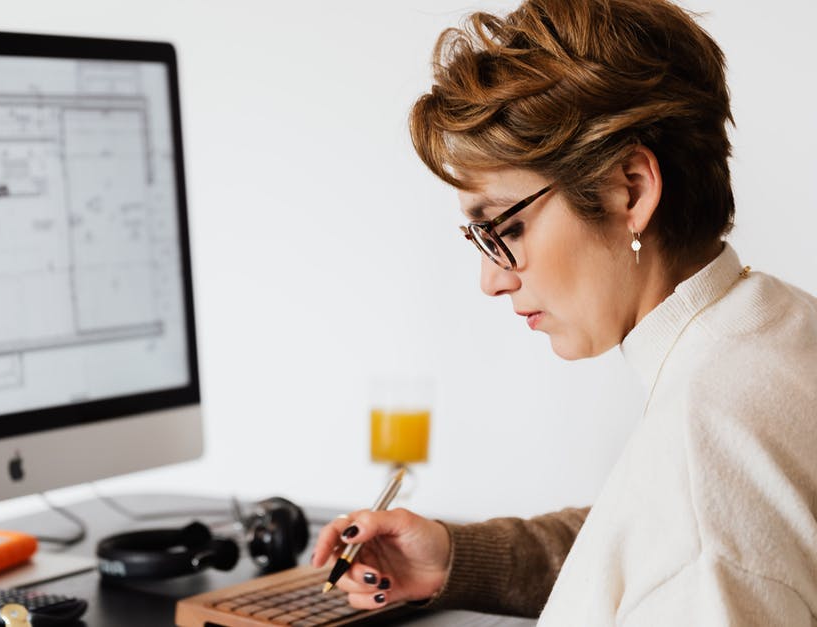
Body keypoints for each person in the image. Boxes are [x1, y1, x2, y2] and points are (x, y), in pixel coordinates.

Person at [310, 0, 817, 623]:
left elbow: (695, 537)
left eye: (506, 228)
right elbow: (647, 535)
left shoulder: (700, 473)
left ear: (629, 188)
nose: (491, 280)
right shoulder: (774, 329)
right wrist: (458, 556)